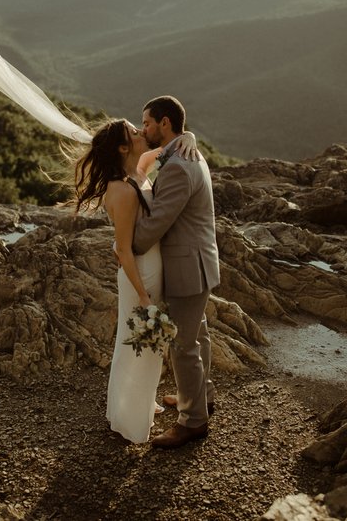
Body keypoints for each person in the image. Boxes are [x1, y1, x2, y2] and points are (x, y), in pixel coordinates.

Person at [72, 118, 197, 443]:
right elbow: (125, 250)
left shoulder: (137, 170)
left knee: (142, 345)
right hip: (140, 274)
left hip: (152, 268)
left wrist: (191, 137)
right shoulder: (122, 189)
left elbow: (165, 147)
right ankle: (130, 421)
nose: (142, 132)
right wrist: (143, 295)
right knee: (140, 346)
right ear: (124, 147)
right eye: (134, 131)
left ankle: (138, 402)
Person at [132, 96, 220, 449]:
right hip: (197, 262)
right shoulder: (186, 154)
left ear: (165, 124)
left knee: (183, 345)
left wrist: (126, 244)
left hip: (188, 266)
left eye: (148, 123)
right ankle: (201, 396)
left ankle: (192, 421)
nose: (144, 129)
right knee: (198, 335)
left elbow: (156, 224)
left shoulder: (178, 168)